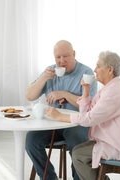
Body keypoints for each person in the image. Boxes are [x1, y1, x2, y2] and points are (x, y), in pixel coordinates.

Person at [46, 51, 120, 180]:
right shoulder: (109, 88)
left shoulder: (114, 93)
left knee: (78, 155)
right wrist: (86, 90)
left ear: (110, 69)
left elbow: (89, 119)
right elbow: (87, 113)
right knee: (78, 150)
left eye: (98, 66)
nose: (95, 70)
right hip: (118, 141)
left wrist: (60, 116)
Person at [26, 40, 97, 180]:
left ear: (74, 54)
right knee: (31, 140)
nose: (61, 61)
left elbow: (91, 107)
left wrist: (64, 94)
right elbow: (29, 96)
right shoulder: (50, 72)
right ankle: (50, 178)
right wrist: (43, 79)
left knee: (75, 138)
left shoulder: (86, 73)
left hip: (77, 123)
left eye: (66, 56)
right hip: (52, 123)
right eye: (58, 57)